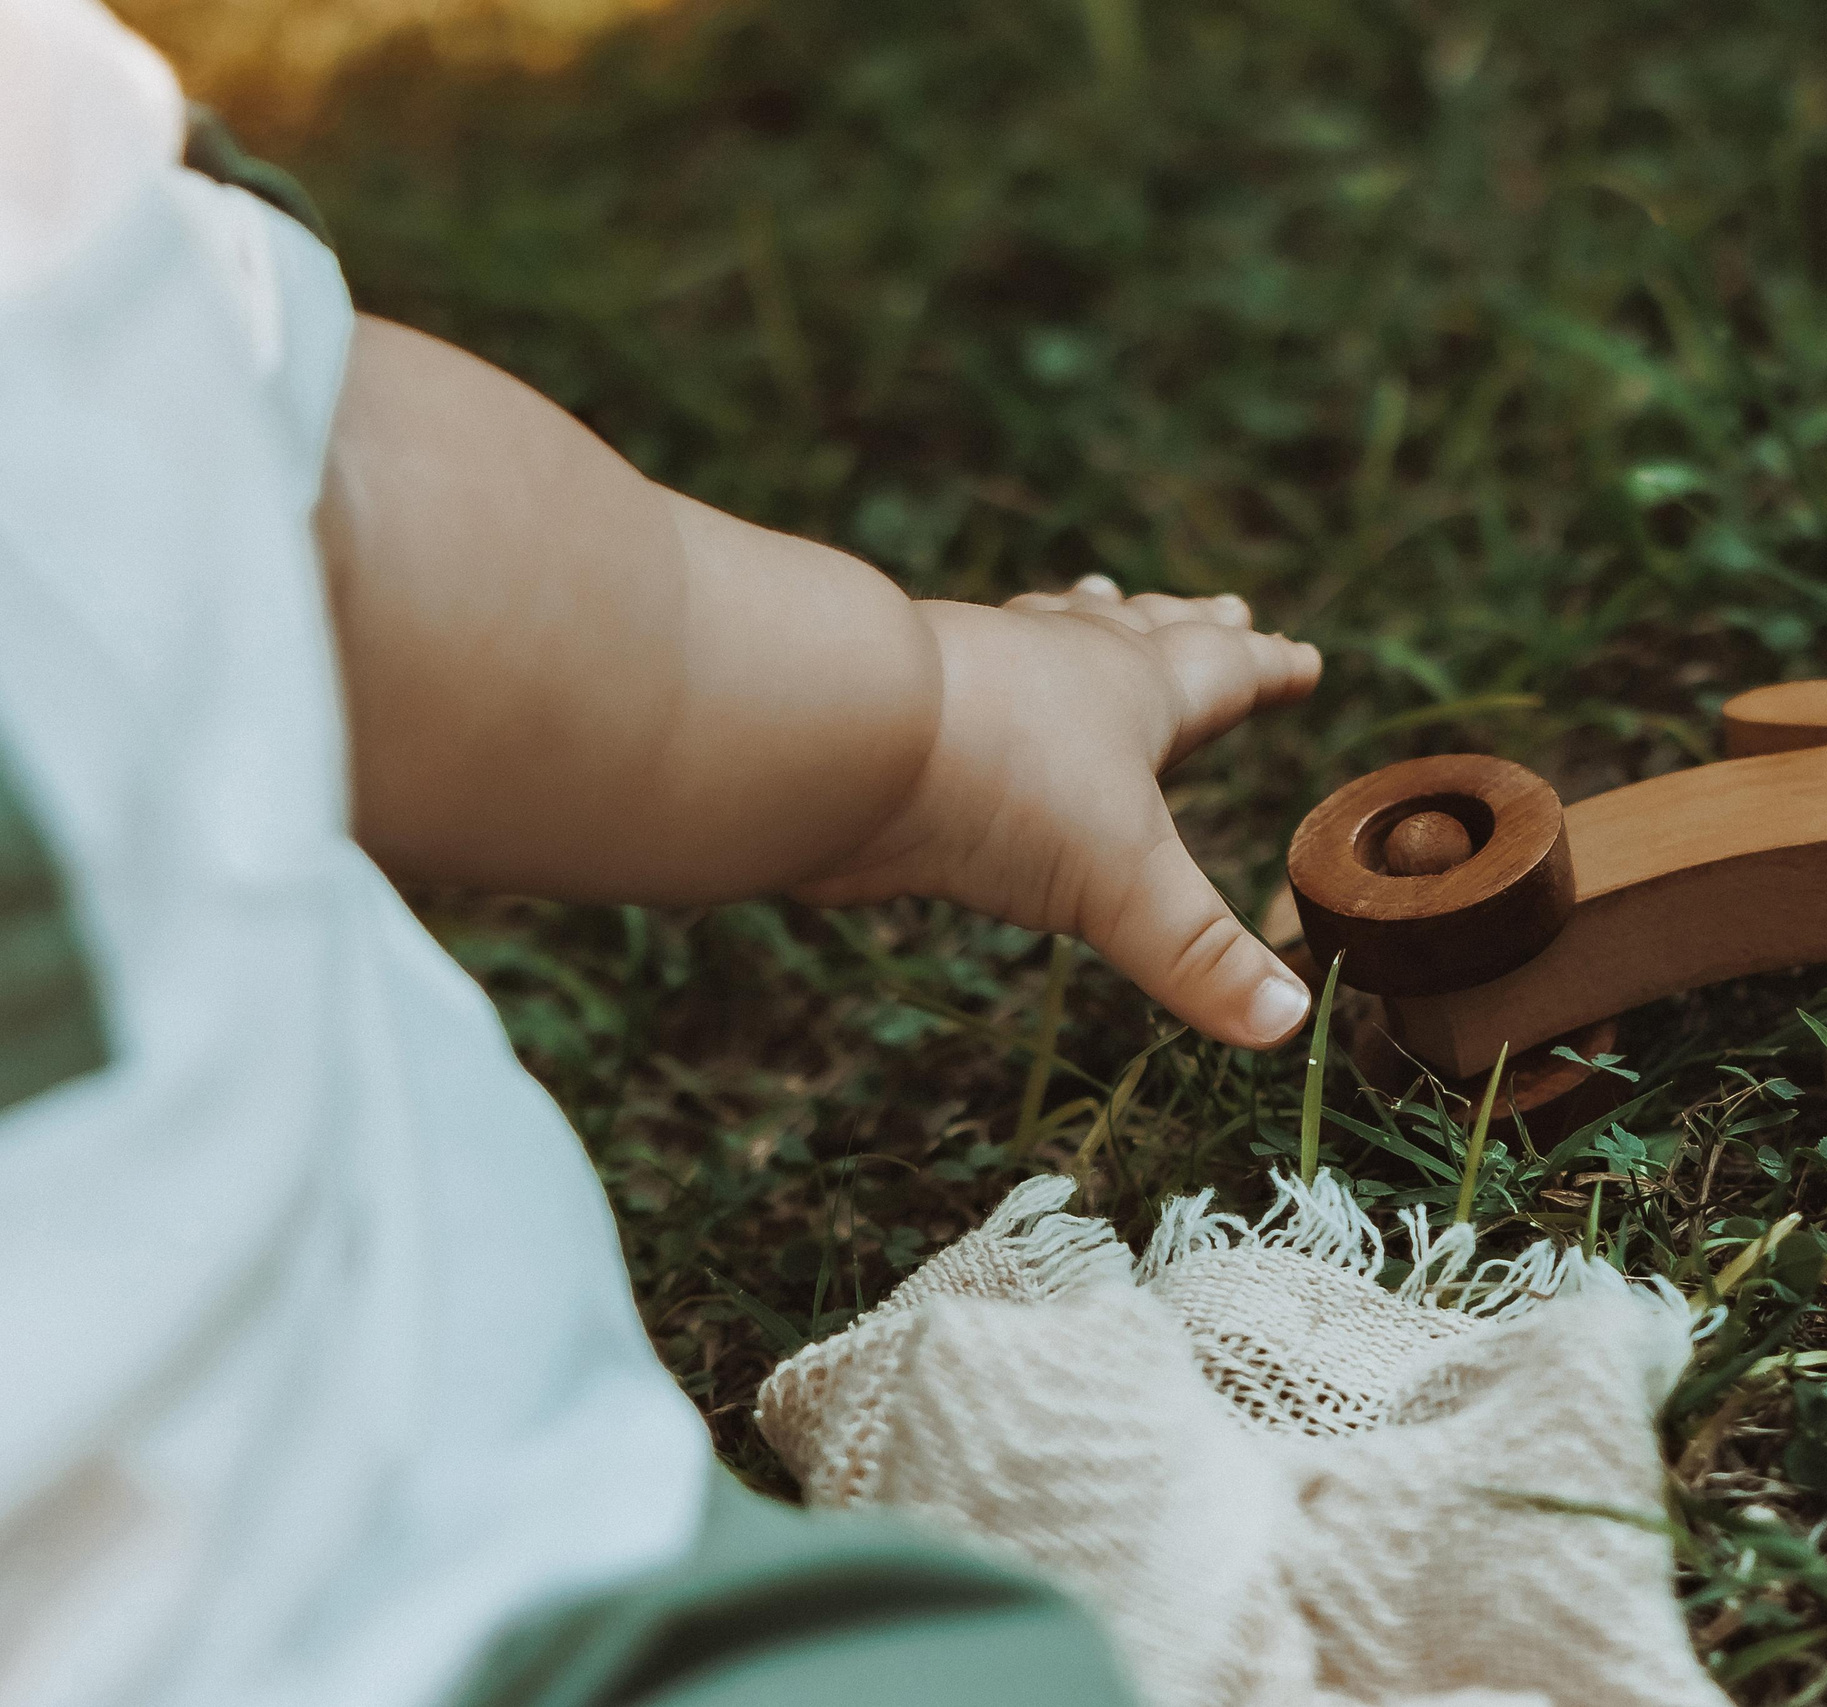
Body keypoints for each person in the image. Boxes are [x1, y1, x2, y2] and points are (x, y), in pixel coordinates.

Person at [0, 1, 1320, 1703]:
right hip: (427, 1602)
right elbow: (356, 514)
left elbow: (357, 524)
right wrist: (937, 729)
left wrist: (940, 730)